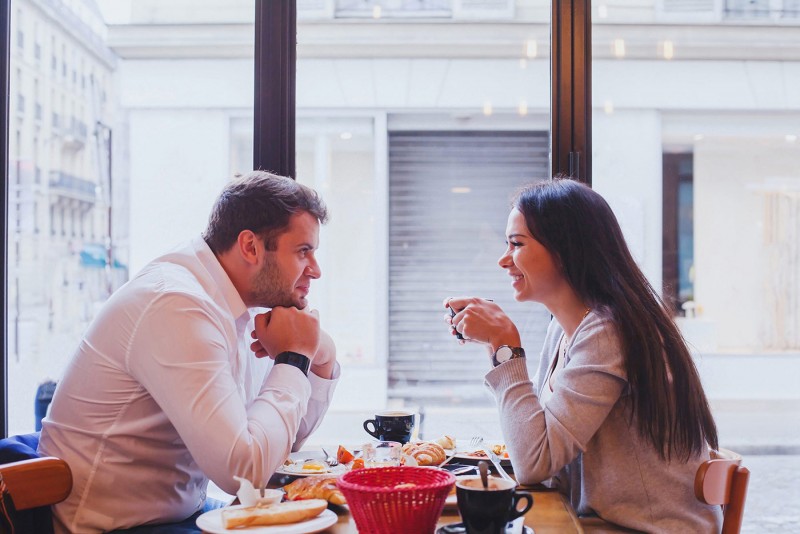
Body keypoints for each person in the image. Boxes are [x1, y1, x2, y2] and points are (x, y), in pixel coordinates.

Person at [39, 171, 339, 533]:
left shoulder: (241, 308)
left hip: (179, 515)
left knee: (323, 518)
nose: (316, 271)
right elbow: (243, 471)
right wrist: (293, 358)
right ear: (250, 247)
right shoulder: (176, 304)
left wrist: (320, 356)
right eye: (303, 251)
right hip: (115, 528)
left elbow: (278, 447)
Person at [445, 178, 722, 532]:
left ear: (566, 250)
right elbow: (544, 449)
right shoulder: (563, 329)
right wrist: (496, 346)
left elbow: (535, 463)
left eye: (516, 244)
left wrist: (506, 348)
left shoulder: (608, 331)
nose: (504, 260)